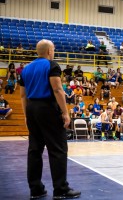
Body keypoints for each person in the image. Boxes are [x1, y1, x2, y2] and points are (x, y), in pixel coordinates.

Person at [19, 40, 81, 199]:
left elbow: (22, 95)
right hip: (47, 109)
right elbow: (57, 89)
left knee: (34, 150)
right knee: (58, 149)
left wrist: (27, 115)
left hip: (32, 109)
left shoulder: (25, 69)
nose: (53, 52)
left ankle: (36, 190)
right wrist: (65, 113)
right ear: (48, 51)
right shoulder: (51, 65)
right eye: (53, 49)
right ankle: (60, 190)